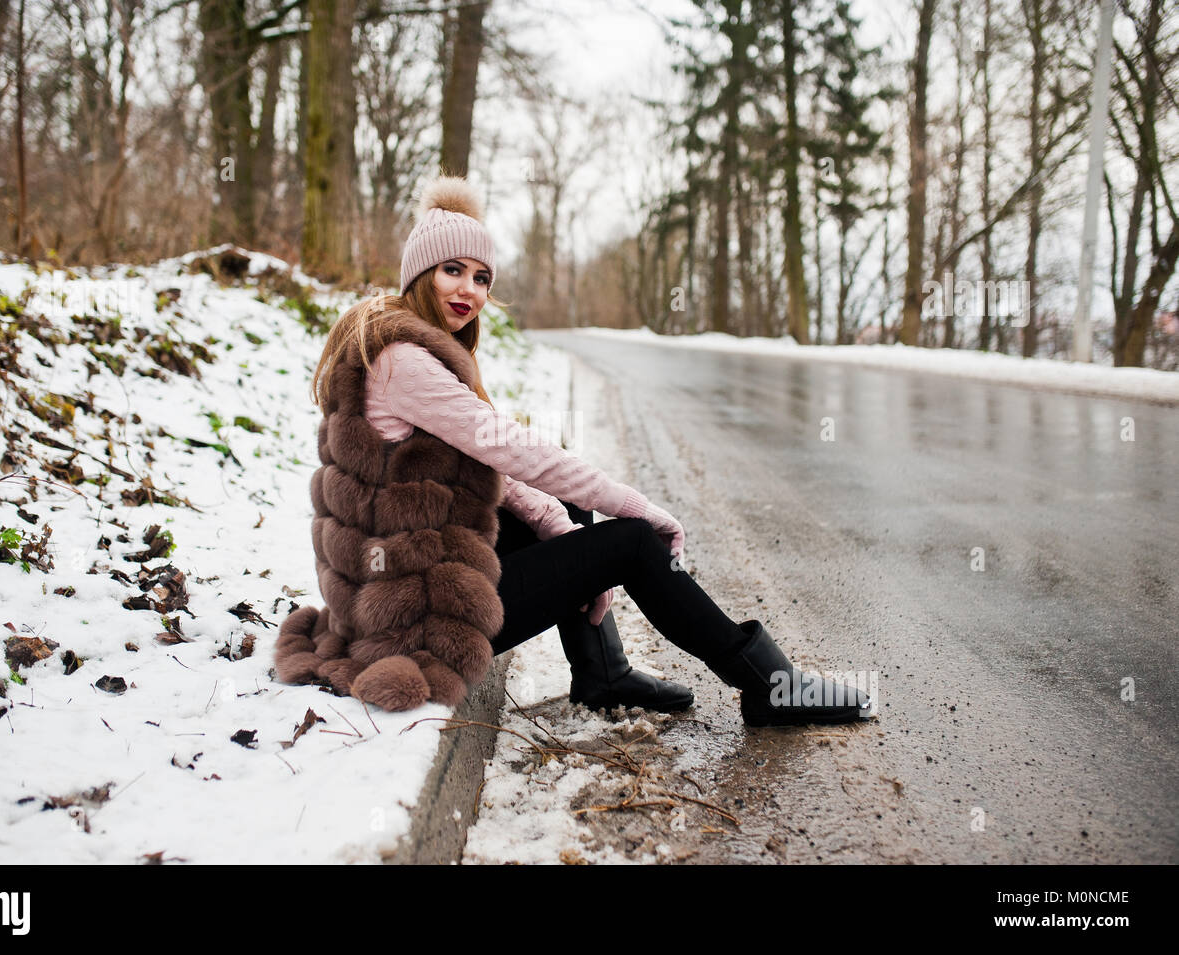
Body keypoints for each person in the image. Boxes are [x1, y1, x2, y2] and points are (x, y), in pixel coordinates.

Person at [274, 174, 872, 727]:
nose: (470, 290)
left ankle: (602, 674)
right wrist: (636, 508)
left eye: (483, 278)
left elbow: (499, 470)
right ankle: (770, 685)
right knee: (634, 544)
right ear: (418, 273)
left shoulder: (399, 347)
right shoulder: (403, 361)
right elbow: (511, 448)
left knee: (569, 509)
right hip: (415, 619)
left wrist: (563, 530)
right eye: (452, 270)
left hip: (399, 586)